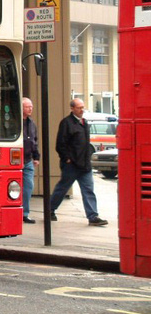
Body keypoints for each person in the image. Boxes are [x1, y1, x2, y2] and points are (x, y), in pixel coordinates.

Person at [48, 98, 108, 226]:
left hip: (84, 164)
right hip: (72, 165)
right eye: (79, 108)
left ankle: (93, 216)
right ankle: (50, 210)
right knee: (62, 188)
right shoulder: (66, 123)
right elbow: (60, 144)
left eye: (83, 107)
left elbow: (85, 144)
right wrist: (67, 159)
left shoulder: (84, 123)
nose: (82, 110)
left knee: (88, 190)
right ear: (72, 109)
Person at [22, 97, 40, 223]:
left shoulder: (32, 123)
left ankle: (25, 213)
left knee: (29, 186)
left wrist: (36, 157)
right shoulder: (16, 122)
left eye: (31, 106)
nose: (30, 109)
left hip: (28, 160)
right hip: (16, 159)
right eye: (27, 106)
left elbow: (34, 141)